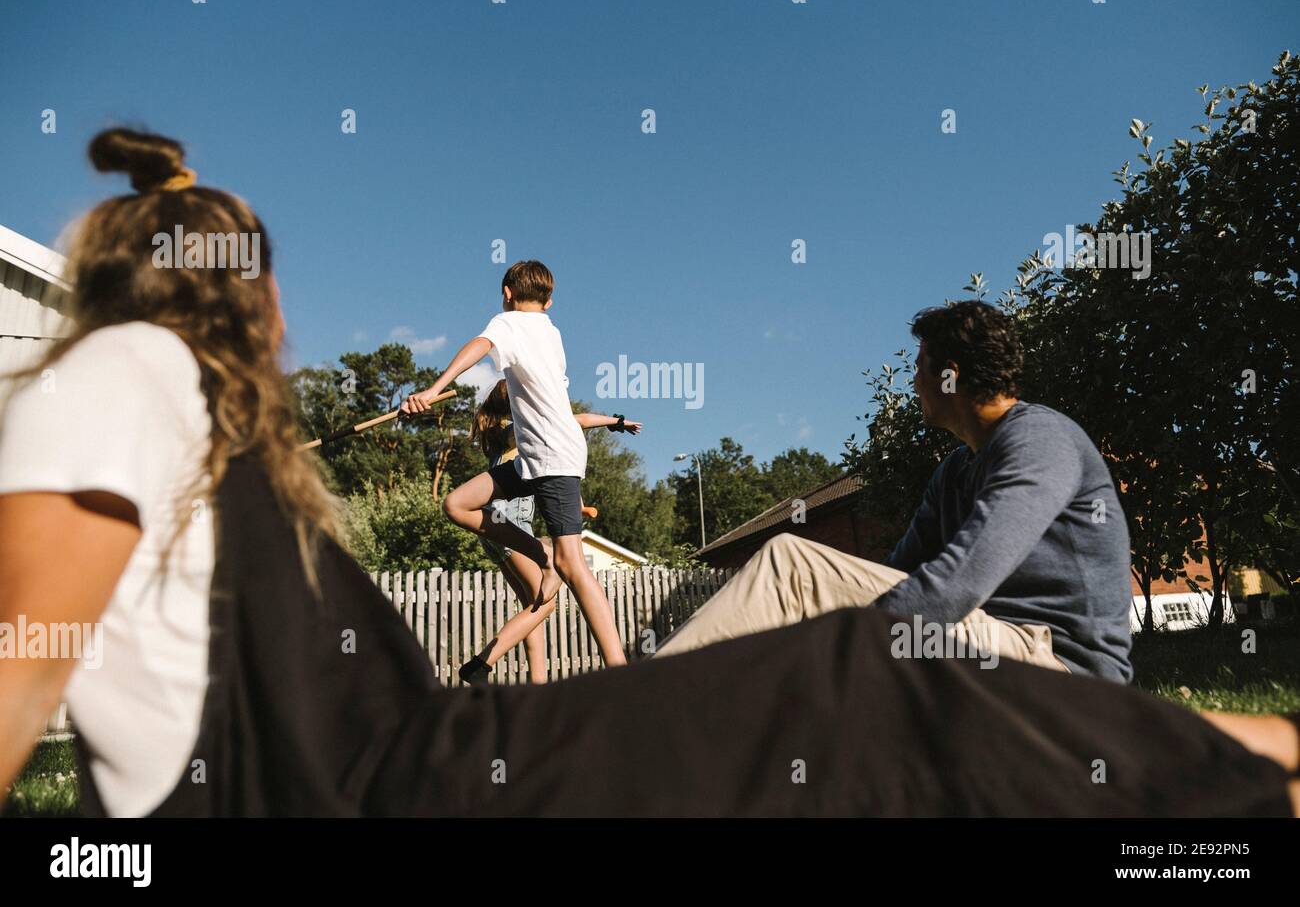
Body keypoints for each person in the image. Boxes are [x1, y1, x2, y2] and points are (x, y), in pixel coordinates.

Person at [2, 128, 1296, 818]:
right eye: (269, 279)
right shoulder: (136, 379)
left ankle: (1250, 762)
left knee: (876, 679)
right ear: (238, 293)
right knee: (869, 682)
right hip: (431, 788)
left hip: (448, 768)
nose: (286, 313)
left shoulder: (209, 437)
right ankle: (1255, 770)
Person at [657, 301, 1134, 684]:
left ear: (949, 374)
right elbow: (892, 576)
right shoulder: (954, 472)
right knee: (804, 594)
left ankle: (633, 706)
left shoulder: (1038, 439)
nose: (914, 383)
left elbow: (962, 581)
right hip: (989, 644)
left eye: (919, 368)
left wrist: (840, 646)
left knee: (792, 566)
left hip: (1061, 669)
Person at [400, 260, 629, 686]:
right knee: (458, 504)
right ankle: (538, 554)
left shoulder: (509, 322)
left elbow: (479, 345)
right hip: (533, 457)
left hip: (553, 455)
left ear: (507, 291)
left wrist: (433, 390)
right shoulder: (549, 328)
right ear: (550, 299)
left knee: (572, 564)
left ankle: (619, 672)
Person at [467, 379, 641, 683]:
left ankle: (538, 683)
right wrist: (617, 421)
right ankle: (482, 663)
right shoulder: (518, 430)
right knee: (545, 603)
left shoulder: (495, 437)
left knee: (532, 605)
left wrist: (580, 504)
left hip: (491, 529)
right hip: (512, 525)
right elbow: (579, 422)